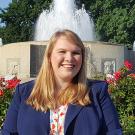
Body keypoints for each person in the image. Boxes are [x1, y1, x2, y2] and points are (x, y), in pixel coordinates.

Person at [2, 29, 122, 135]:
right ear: (49, 57)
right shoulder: (24, 92)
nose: (69, 58)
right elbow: (9, 132)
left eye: (76, 53)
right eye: (62, 52)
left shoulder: (97, 92)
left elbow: (113, 132)